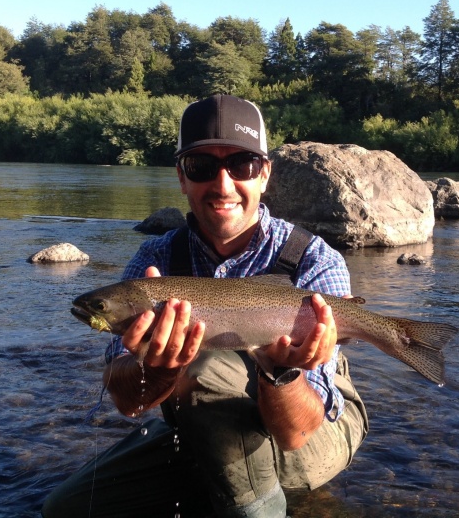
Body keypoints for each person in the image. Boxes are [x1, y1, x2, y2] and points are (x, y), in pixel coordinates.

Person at [43, 95, 368, 518]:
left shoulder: (314, 260)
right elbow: (128, 403)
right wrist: (157, 369)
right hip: (211, 428)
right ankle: (224, 483)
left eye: (242, 165)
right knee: (65, 510)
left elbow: (296, 435)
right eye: (201, 167)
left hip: (314, 431)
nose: (223, 184)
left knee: (204, 369)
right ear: (181, 177)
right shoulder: (152, 263)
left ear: (265, 174)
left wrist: (281, 370)